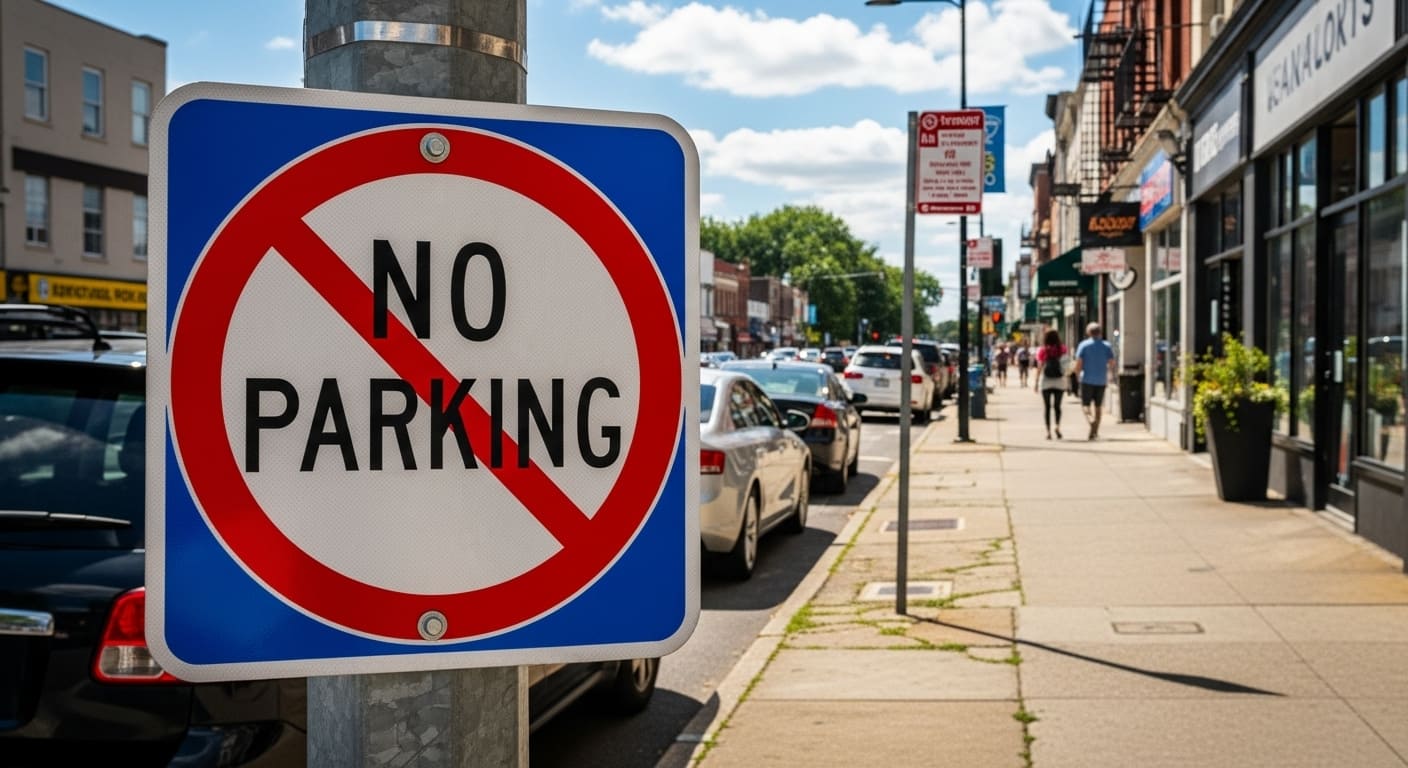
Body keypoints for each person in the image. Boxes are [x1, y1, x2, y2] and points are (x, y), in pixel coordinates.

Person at [1073, 322, 1118, 440]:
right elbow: (1112, 363)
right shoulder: (1106, 346)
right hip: (1101, 380)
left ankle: (1090, 420)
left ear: (1088, 333)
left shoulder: (1083, 345)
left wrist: (1077, 375)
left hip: (1087, 379)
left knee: (1085, 405)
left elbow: (1079, 363)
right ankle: (1095, 431)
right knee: (1098, 406)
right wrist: (1109, 373)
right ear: (1100, 332)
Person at [1034, 330, 1067, 439]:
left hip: (1046, 381)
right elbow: (1067, 366)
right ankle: (1057, 426)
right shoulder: (1062, 349)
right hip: (1059, 381)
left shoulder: (1043, 350)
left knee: (1047, 407)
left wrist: (1036, 382)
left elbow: (1039, 367)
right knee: (1057, 406)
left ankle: (1048, 432)